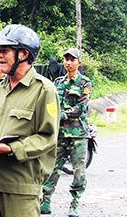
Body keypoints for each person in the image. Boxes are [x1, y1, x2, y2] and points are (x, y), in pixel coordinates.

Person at [0, 24, 60, 217]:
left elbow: (48, 137)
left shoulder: (44, 90)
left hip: (19, 187)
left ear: (24, 54)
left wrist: (12, 148)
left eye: (4, 50)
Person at [41, 48, 92, 217]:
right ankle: (46, 201)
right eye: (66, 59)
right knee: (52, 169)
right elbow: (51, 103)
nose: (68, 62)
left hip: (78, 135)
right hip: (60, 134)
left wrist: (61, 114)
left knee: (79, 171)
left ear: (79, 62)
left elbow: (81, 107)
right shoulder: (58, 82)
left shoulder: (85, 83)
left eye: (72, 59)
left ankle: (74, 205)